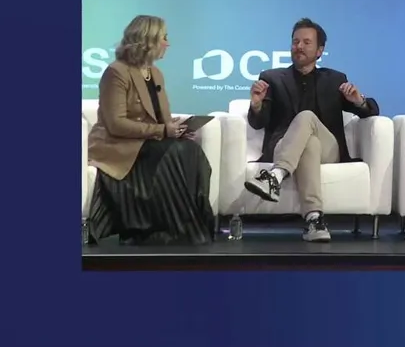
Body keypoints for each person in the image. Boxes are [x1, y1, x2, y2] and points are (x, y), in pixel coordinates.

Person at [243, 18, 380, 242]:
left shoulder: (335, 79)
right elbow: (258, 123)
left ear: (319, 51)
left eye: (306, 42)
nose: (299, 46)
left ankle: (275, 176)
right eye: (295, 41)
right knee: (310, 144)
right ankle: (314, 220)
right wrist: (257, 105)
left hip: (329, 150)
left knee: (307, 118)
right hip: (284, 146)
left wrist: (358, 100)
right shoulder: (272, 78)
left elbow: (370, 112)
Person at [86, 15, 216, 245]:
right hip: (117, 145)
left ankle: (192, 224)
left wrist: (177, 128)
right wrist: (163, 131)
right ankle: (169, 231)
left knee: (190, 150)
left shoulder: (155, 73)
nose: (168, 43)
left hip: (147, 141)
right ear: (148, 41)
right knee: (174, 152)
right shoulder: (116, 72)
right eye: (164, 38)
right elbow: (116, 123)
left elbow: (160, 117)